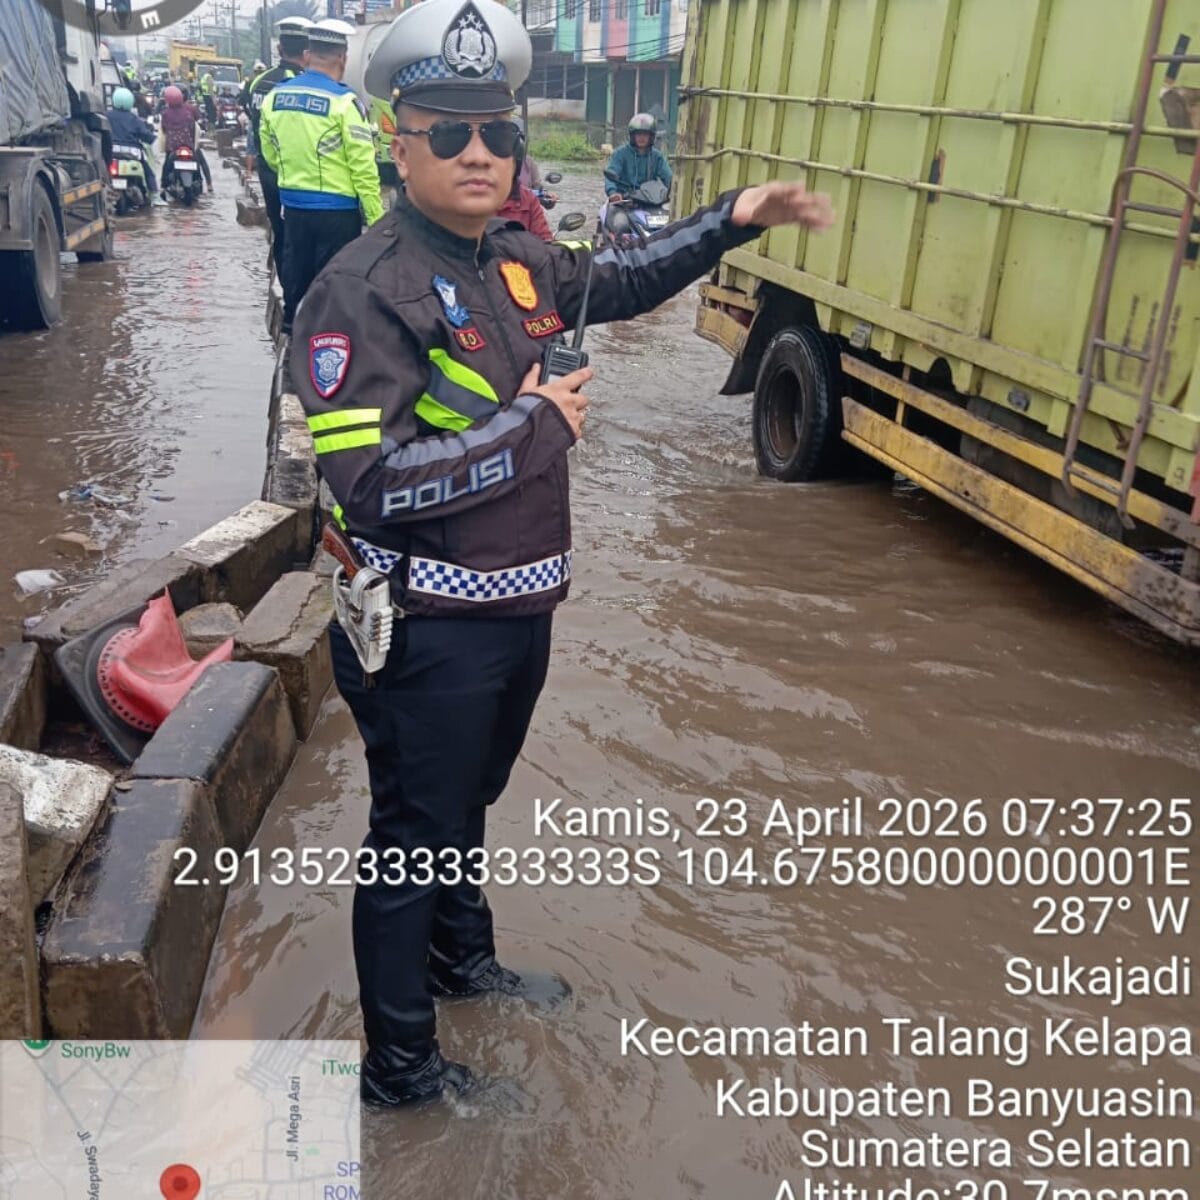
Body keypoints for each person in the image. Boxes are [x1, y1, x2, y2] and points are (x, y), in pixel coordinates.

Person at [289, 0, 835, 1108]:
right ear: (400, 143)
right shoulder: (360, 289)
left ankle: (463, 960)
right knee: (411, 834)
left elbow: (624, 274)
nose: (479, 153)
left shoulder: (518, 259)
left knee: (471, 802)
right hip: (426, 622)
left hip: (516, 607)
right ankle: (398, 1068)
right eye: (449, 132)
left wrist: (733, 216)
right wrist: (534, 425)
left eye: (498, 131)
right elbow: (370, 484)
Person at [260, 18, 384, 335]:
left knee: (296, 271)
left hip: (294, 207)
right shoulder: (344, 103)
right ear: (342, 58)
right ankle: (330, 341)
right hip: (338, 212)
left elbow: (270, 154)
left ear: (307, 55)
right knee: (335, 280)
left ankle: (292, 332)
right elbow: (363, 166)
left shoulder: (276, 98)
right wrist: (376, 218)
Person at [239, 17, 312, 269]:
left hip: (268, 171)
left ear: (279, 50)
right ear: (307, 52)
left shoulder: (259, 83)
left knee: (280, 232)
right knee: (302, 236)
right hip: (301, 173)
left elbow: (252, 118)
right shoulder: (305, 84)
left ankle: (285, 283)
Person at [106, 85, 162, 204]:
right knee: (149, 171)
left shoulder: (107, 116)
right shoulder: (133, 118)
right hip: (132, 153)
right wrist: (153, 139)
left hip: (111, 152)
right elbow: (145, 135)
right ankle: (154, 195)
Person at [604, 112, 672, 202]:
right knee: (619, 217)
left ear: (651, 137)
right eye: (638, 134)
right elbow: (611, 174)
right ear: (632, 136)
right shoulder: (620, 153)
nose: (642, 138)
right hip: (624, 200)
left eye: (645, 134)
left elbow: (669, 177)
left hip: (650, 200)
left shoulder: (657, 156)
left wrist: (674, 191)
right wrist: (613, 193)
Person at [160, 85, 214, 194]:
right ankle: (209, 184)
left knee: (167, 163)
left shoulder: (166, 112)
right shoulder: (190, 110)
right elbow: (196, 124)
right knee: (201, 161)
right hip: (190, 144)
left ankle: (163, 186)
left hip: (173, 147)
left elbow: (164, 129)